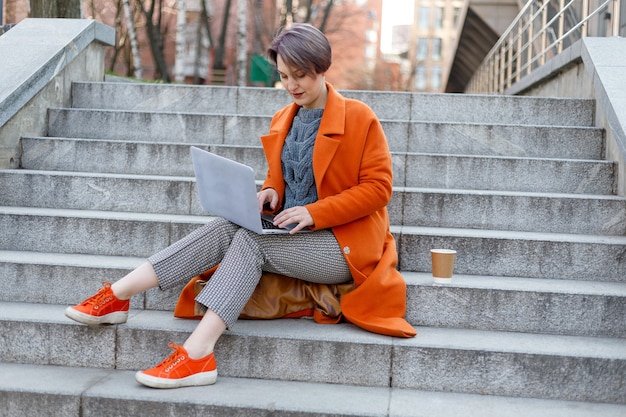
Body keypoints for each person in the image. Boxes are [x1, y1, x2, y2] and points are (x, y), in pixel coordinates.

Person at [65, 23, 416, 390]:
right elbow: (282, 176)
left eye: (301, 76)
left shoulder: (359, 117)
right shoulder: (284, 118)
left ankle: (198, 353)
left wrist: (315, 212)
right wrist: (270, 192)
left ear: (322, 68)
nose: (292, 85)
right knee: (225, 225)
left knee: (251, 242)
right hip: (293, 234)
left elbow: (379, 189)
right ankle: (117, 296)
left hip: (342, 244)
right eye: (284, 76)